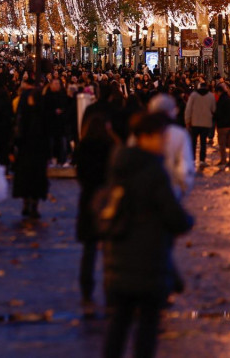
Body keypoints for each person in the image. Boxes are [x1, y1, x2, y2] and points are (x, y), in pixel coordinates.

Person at [103, 113, 194, 358]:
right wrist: (187, 220)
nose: (165, 141)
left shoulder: (119, 163)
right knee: (147, 327)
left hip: (119, 258)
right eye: (161, 136)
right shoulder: (154, 172)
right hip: (148, 260)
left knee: (119, 324)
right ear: (145, 137)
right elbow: (173, 216)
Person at [75, 111, 119, 313]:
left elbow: (80, 174)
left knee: (89, 249)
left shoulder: (83, 146)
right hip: (108, 199)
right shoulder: (112, 147)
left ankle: (86, 290)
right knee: (111, 250)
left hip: (89, 199)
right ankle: (111, 291)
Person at [147, 94, 194, 199]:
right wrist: (182, 187)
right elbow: (185, 167)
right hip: (170, 189)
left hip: (144, 192)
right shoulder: (178, 134)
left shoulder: (139, 133)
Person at [12, 84, 49, 219]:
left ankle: (33, 204)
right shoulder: (26, 116)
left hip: (34, 152)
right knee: (28, 179)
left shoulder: (40, 115)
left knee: (33, 179)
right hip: (27, 151)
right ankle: (27, 203)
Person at [184, 81, 216, 167]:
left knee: (193, 142)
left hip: (195, 122)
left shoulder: (193, 95)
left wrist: (187, 121)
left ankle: (192, 159)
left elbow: (188, 109)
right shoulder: (210, 96)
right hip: (206, 122)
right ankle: (202, 160)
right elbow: (213, 109)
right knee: (203, 142)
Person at [214, 83, 230, 170]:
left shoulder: (220, 101)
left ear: (219, 92)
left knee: (222, 144)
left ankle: (223, 160)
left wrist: (216, 121)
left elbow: (218, 113)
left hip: (222, 126)